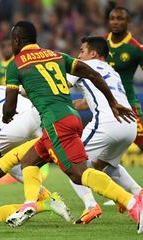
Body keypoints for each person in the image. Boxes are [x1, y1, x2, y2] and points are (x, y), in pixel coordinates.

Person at [1, 21, 142, 234]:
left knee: (79, 173)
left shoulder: (16, 64)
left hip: (57, 123)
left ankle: (133, 204)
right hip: (68, 119)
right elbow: (93, 75)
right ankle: (29, 205)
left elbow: (9, 105)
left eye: (12, 40)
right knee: (29, 161)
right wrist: (113, 102)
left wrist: (7, 115)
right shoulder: (56, 55)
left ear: (17, 40)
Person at [66, 36, 142, 224]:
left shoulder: (83, 66)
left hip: (108, 122)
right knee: (108, 166)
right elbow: (90, 100)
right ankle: (139, 193)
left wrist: (23, 91)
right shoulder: (112, 72)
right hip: (129, 124)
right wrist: (74, 104)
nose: (78, 55)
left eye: (82, 51)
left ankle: (91, 206)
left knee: (71, 164)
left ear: (93, 54)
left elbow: (59, 85)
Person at [105, 7, 143, 151]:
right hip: (104, 103)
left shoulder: (136, 49)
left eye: (120, 19)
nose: (115, 22)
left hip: (127, 103)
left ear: (128, 21)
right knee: (103, 149)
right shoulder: (100, 43)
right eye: (112, 18)